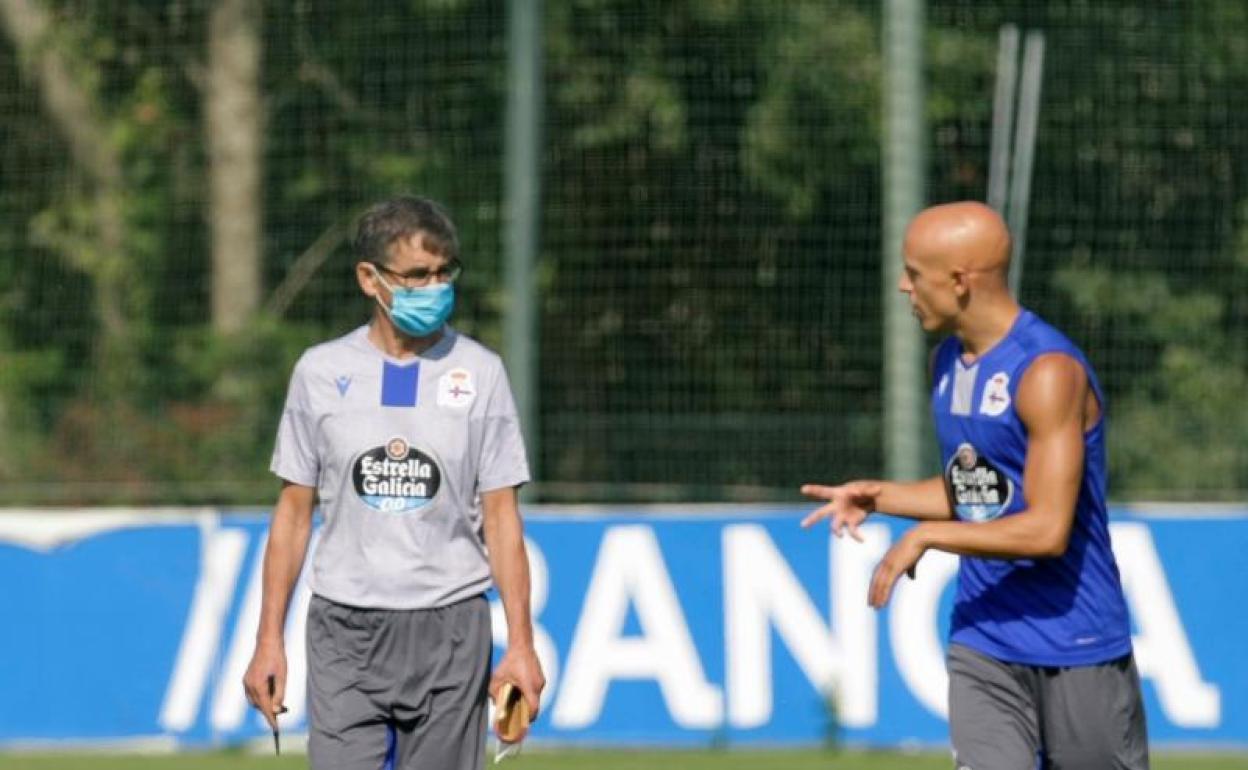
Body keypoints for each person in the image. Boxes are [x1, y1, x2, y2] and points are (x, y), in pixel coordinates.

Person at [801, 201, 1148, 770]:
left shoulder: (1047, 371)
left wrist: (926, 537)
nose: (902, 286)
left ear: (960, 281)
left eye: (914, 274)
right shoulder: (947, 363)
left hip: (1077, 645)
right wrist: (881, 497)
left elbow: (1046, 528)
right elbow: (982, 495)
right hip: (983, 642)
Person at [243, 195, 545, 770]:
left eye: (443, 273)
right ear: (369, 279)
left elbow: (502, 519)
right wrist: (267, 640)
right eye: (416, 276)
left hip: (451, 626)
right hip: (344, 629)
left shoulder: (481, 373)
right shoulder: (320, 372)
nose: (434, 288)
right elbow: (292, 514)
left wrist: (522, 646)